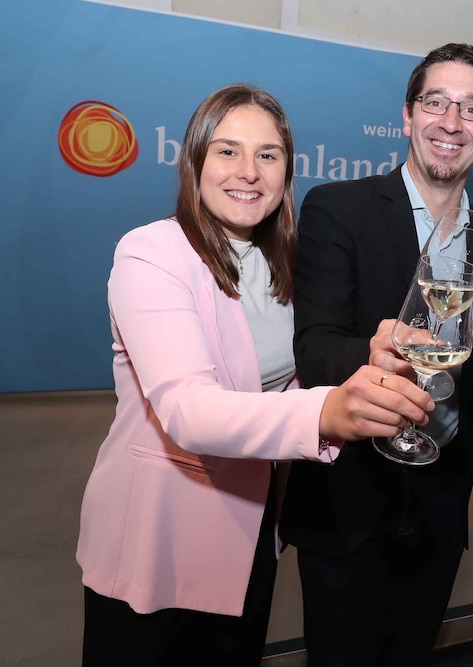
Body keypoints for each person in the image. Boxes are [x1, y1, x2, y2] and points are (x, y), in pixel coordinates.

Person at [76, 84, 434, 667]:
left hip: (250, 532)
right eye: (227, 151)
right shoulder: (151, 253)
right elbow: (188, 409)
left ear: (287, 170)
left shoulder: (279, 264)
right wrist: (326, 413)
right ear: (195, 161)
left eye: (268, 155)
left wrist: (369, 364)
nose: (248, 172)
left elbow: (292, 375)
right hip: (158, 534)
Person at [279, 44, 473, 666]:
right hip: (350, 495)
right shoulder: (338, 209)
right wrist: (373, 353)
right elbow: (317, 345)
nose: (452, 121)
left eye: (472, 109)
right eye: (436, 103)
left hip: (441, 499)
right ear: (407, 117)